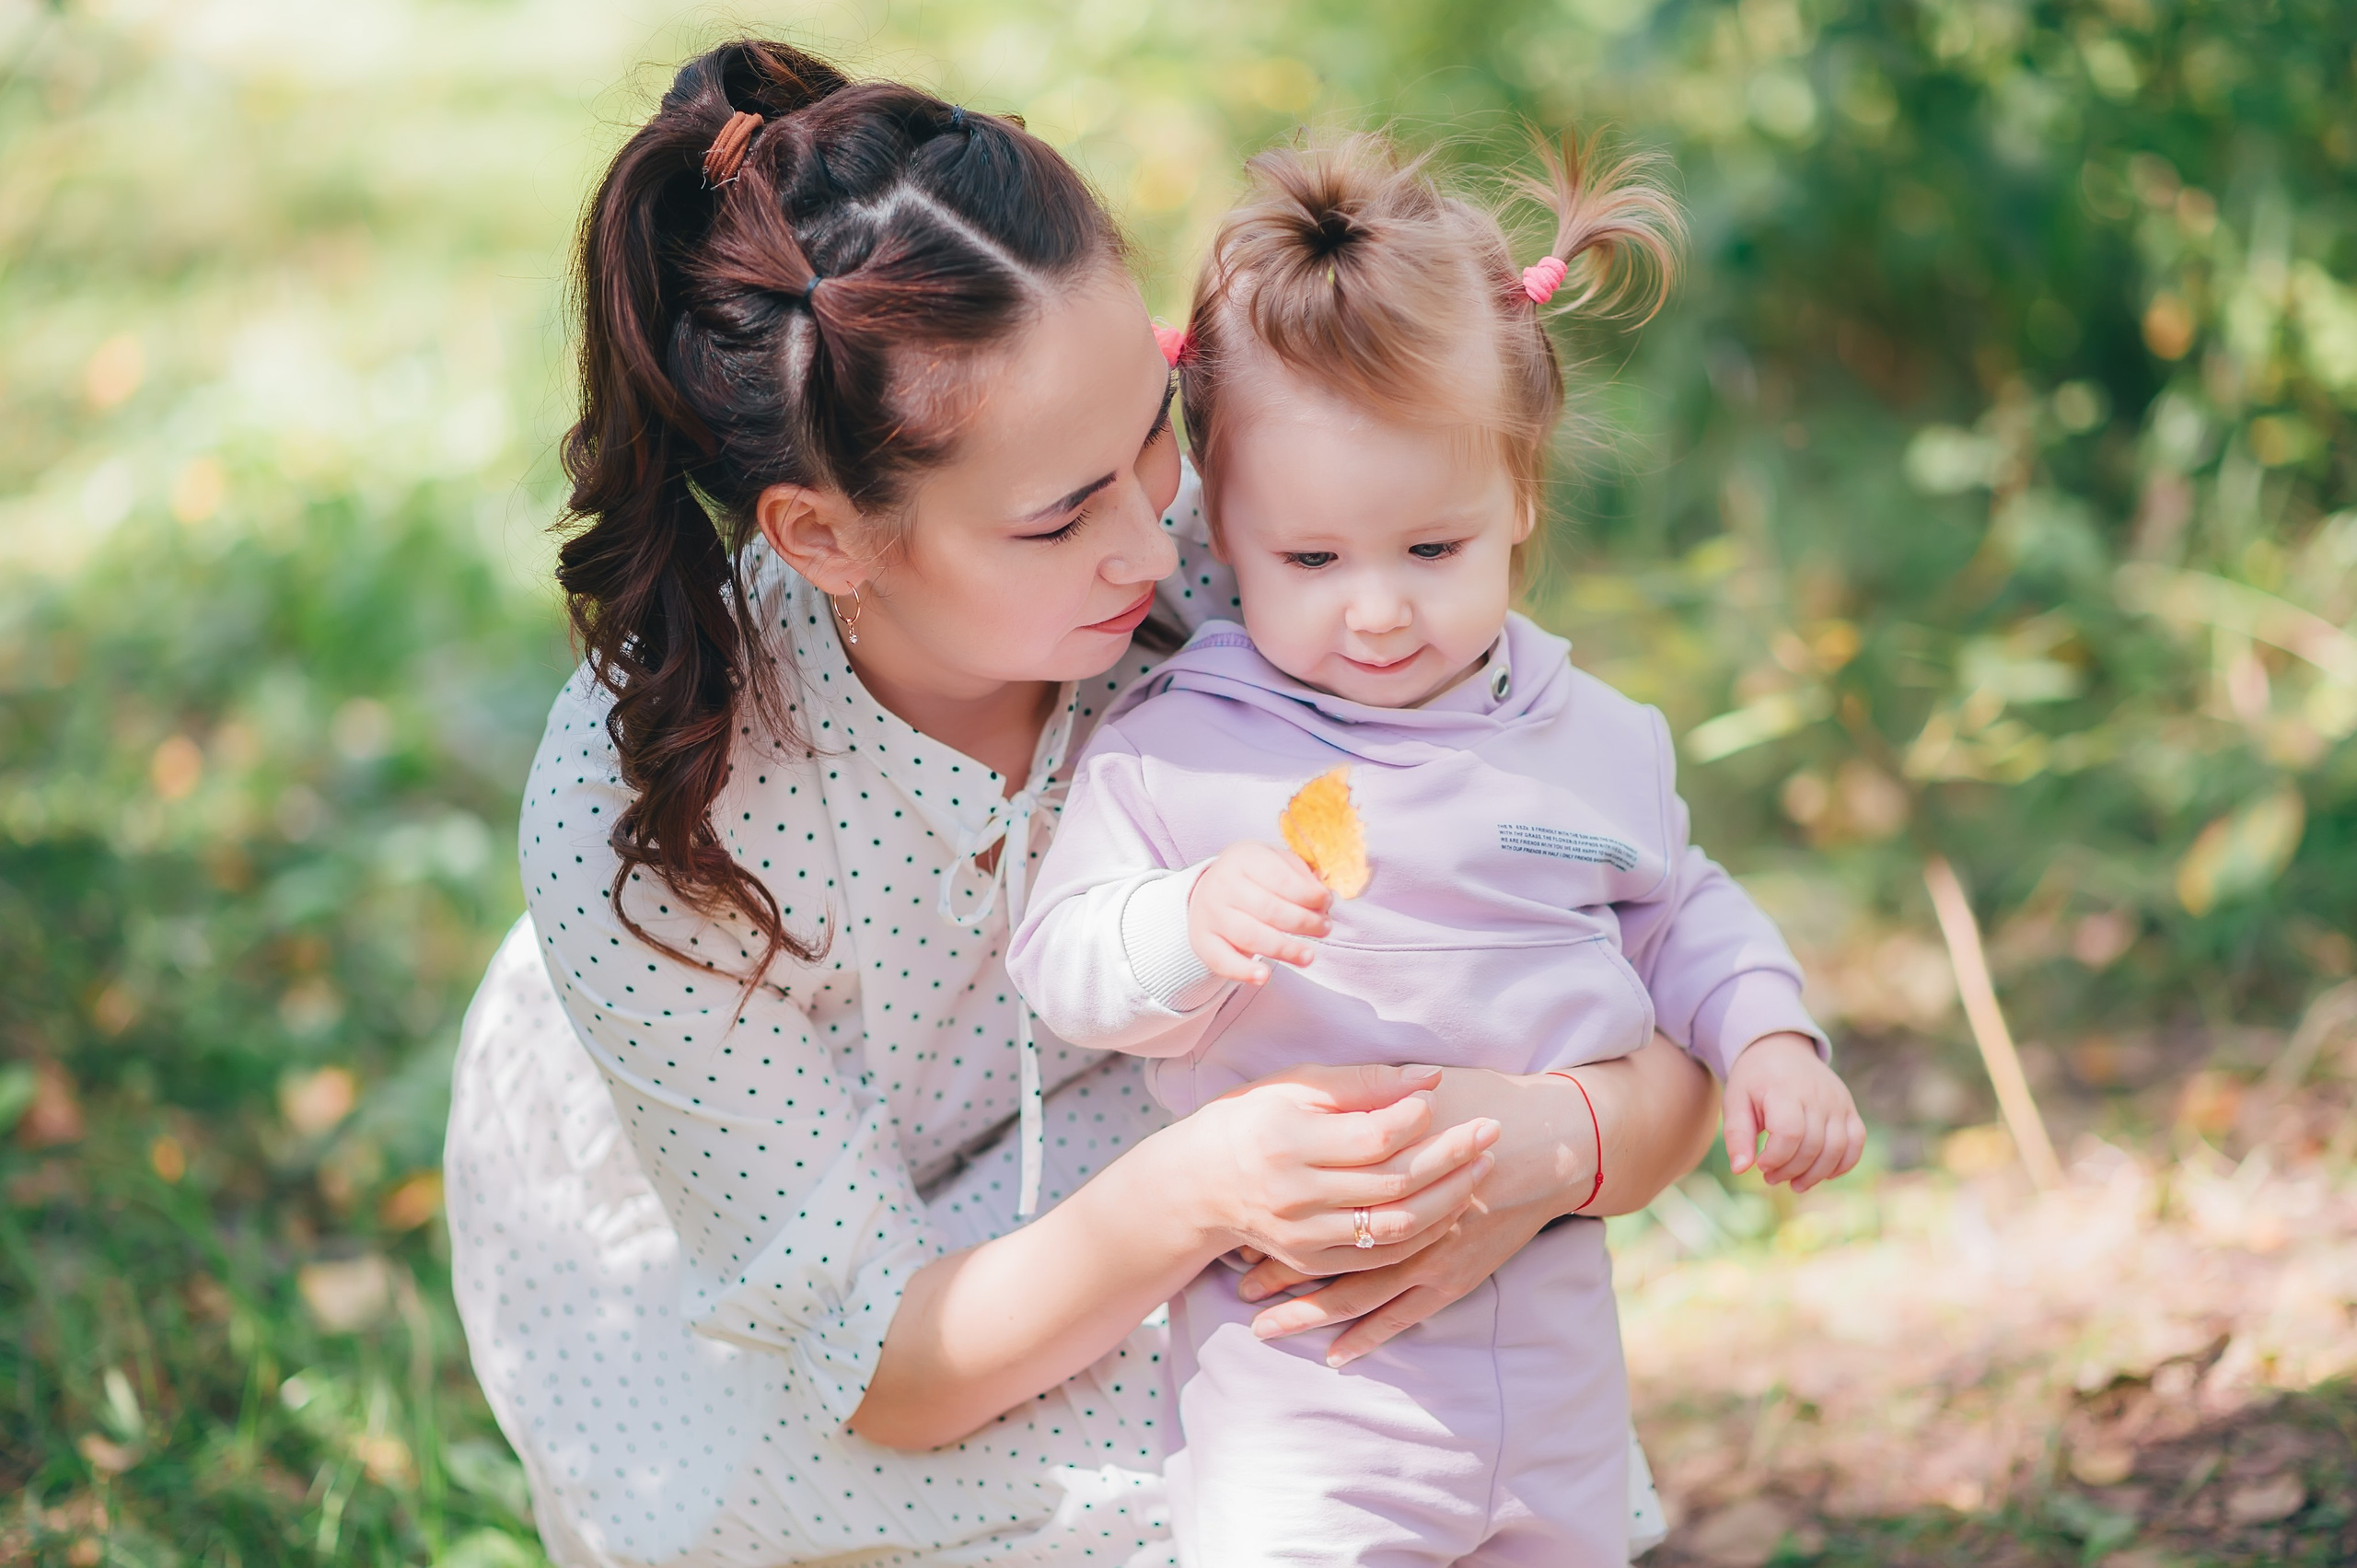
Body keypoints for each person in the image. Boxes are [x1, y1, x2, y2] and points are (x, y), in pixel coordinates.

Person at [446, 38, 1721, 1567]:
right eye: (1059, 516)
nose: (1155, 538)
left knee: (1378, 1403)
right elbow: (894, 1371)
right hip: (797, 1288)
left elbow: (1646, 981)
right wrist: (1202, 1189)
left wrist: (1547, 1138)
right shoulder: (650, 831)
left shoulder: (1252, 566)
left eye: (1153, 432)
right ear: (824, 535)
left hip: (1148, 1096)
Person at [1006, 133, 1865, 1566]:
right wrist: (1187, 922)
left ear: (1520, 503)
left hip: (1551, 1354)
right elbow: (1065, 963)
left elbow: (1683, 917)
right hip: (1300, 1374)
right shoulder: (1178, 749)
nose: (1380, 614)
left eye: (1434, 550)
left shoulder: (1590, 738)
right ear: (1223, 525)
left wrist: (1772, 1038)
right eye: (1314, 561)